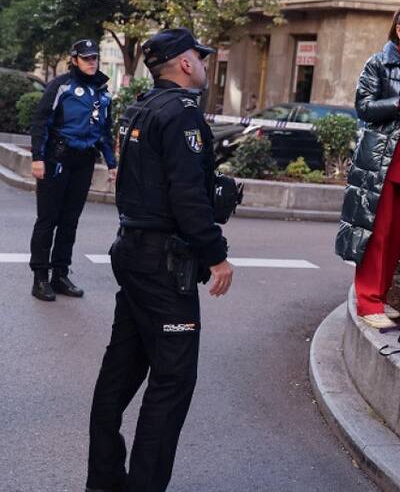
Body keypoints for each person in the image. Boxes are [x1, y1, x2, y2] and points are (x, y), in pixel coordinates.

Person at [86, 28, 235, 492]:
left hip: (133, 251)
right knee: (171, 382)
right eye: (201, 57)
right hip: (161, 263)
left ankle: (104, 480)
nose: (205, 65)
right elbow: (187, 196)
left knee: (122, 367)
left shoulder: (143, 107)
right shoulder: (182, 116)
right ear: (186, 63)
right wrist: (217, 256)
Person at [336, 6, 400, 329]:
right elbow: (363, 108)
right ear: (399, 30)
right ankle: (367, 301)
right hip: (381, 163)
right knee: (375, 234)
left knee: (396, 236)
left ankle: (379, 295)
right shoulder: (378, 63)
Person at [28, 39, 118, 301]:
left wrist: (111, 163)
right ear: (75, 59)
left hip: (84, 162)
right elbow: (41, 121)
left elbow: (104, 131)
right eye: (86, 58)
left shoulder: (102, 92)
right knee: (48, 219)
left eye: (94, 58)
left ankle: (60, 274)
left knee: (70, 221)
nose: (92, 62)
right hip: (57, 159)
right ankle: (40, 277)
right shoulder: (61, 86)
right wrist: (37, 158)